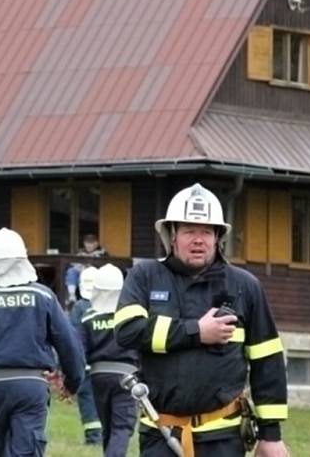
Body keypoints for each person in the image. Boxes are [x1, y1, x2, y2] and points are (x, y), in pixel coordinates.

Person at [114, 183, 289, 457]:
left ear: (218, 237)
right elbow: (128, 332)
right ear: (172, 236)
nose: (198, 239)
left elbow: (267, 360)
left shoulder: (245, 286)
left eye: (206, 231)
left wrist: (271, 437)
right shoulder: (144, 277)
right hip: (161, 433)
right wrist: (196, 331)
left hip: (223, 437)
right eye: (189, 231)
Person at [0, 227, 86, 457]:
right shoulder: (44, 296)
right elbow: (69, 344)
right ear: (23, 260)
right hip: (31, 388)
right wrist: (72, 382)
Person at [80, 263, 139, 457]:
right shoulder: (131, 315)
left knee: (107, 427)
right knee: (121, 427)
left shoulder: (88, 317)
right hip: (126, 377)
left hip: (98, 377)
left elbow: (80, 350)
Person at [69, 266, 102, 445]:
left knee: (88, 401)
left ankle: (93, 437)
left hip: (86, 366)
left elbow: (72, 337)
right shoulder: (111, 306)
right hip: (107, 366)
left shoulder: (80, 307)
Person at [65, 233, 107, 305]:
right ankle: (72, 296)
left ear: (96, 244)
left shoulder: (103, 253)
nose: (88, 245)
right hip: (80, 275)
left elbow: (106, 266)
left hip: (94, 277)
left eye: (91, 243)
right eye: (87, 243)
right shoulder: (80, 252)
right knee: (71, 271)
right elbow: (72, 264)